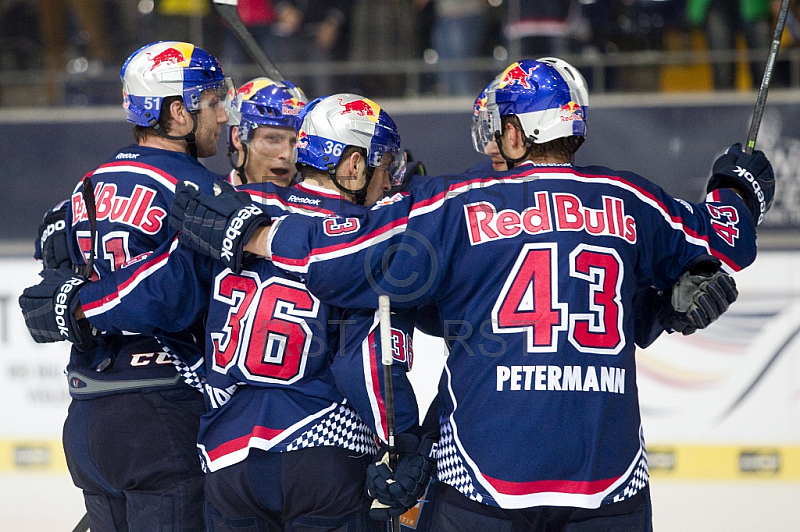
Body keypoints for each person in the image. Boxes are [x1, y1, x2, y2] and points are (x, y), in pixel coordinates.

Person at [165, 58, 770, 530]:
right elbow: (724, 241)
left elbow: (343, 260)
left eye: (494, 131)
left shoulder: (457, 202)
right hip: (606, 484)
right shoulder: (632, 199)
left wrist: (259, 234)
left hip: (483, 482)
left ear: (514, 132)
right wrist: (740, 186)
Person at [20, 93, 435, 531]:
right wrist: (401, 443)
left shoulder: (228, 207)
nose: (389, 182)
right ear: (354, 165)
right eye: (385, 166)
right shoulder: (366, 236)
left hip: (227, 456)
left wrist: (80, 304)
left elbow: (158, 288)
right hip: (322, 452)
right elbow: (364, 361)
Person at [24, 40, 233, 531]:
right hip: (161, 416)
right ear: (177, 114)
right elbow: (174, 297)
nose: (223, 117)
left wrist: (77, 305)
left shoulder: (86, 187)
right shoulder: (201, 191)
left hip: (88, 420)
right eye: (213, 102)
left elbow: (54, 271)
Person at [225, 76, 307, 186]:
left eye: (295, 142)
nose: (288, 155)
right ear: (238, 138)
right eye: (273, 139)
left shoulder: (316, 202)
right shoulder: (207, 198)